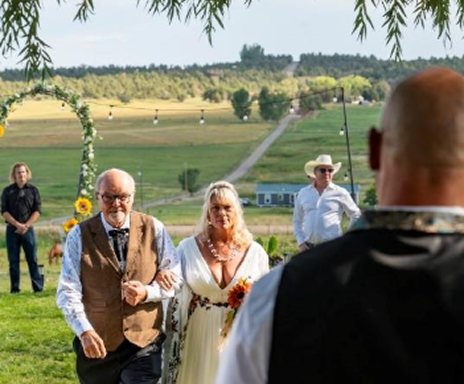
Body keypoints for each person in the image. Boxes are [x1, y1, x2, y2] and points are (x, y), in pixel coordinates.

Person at [215, 67, 464, 384]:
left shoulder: (276, 296)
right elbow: (298, 219)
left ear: (375, 149)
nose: (326, 173)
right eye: (322, 169)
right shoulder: (301, 206)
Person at [56, 168, 180, 384]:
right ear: (97, 197)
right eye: (109, 197)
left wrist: (147, 292)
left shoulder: (155, 228)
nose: (116, 204)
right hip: (97, 346)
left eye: (123, 197)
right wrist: (84, 331)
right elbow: (67, 290)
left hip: (144, 344)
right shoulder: (79, 234)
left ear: (132, 197)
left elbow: (176, 278)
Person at [158, 181, 269, 384]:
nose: (221, 213)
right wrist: (162, 275)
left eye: (227, 207)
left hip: (239, 335)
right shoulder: (187, 248)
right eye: (215, 208)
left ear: (237, 211)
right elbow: (172, 285)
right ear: (207, 213)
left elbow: (265, 300)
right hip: (198, 333)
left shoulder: (255, 253)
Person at [293, 154, 361, 252]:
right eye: (323, 170)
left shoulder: (340, 192)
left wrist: (346, 238)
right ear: (315, 172)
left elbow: (356, 215)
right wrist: (301, 243)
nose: (327, 173)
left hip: (332, 247)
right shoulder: (303, 193)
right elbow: (297, 221)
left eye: (330, 170)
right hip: (308, 248)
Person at [1, 162, 43, 293]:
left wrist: (26, 225)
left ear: (27, 173)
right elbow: (4, 211)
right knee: (13, 261)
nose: (21, 175)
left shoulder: (33, 190)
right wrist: (17, 224)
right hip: (12, 230)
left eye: (23, 172)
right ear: (14, 175)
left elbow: (37, 210)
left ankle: (38, 288)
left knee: (33, 259)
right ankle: (15, 289)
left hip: (28, 230)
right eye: (18, 172)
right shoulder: (7, 191)